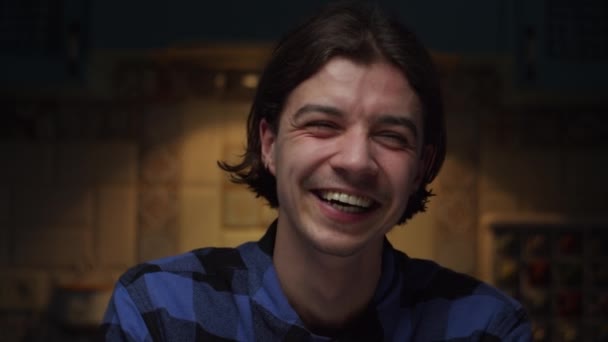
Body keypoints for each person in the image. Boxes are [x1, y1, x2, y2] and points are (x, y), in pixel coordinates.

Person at [101, 2, 532, 341]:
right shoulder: (161, 312)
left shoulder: (485, 328)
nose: (356, 161)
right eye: (323, 125)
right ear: (269, 145)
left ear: (420, 167)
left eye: (391, 135)